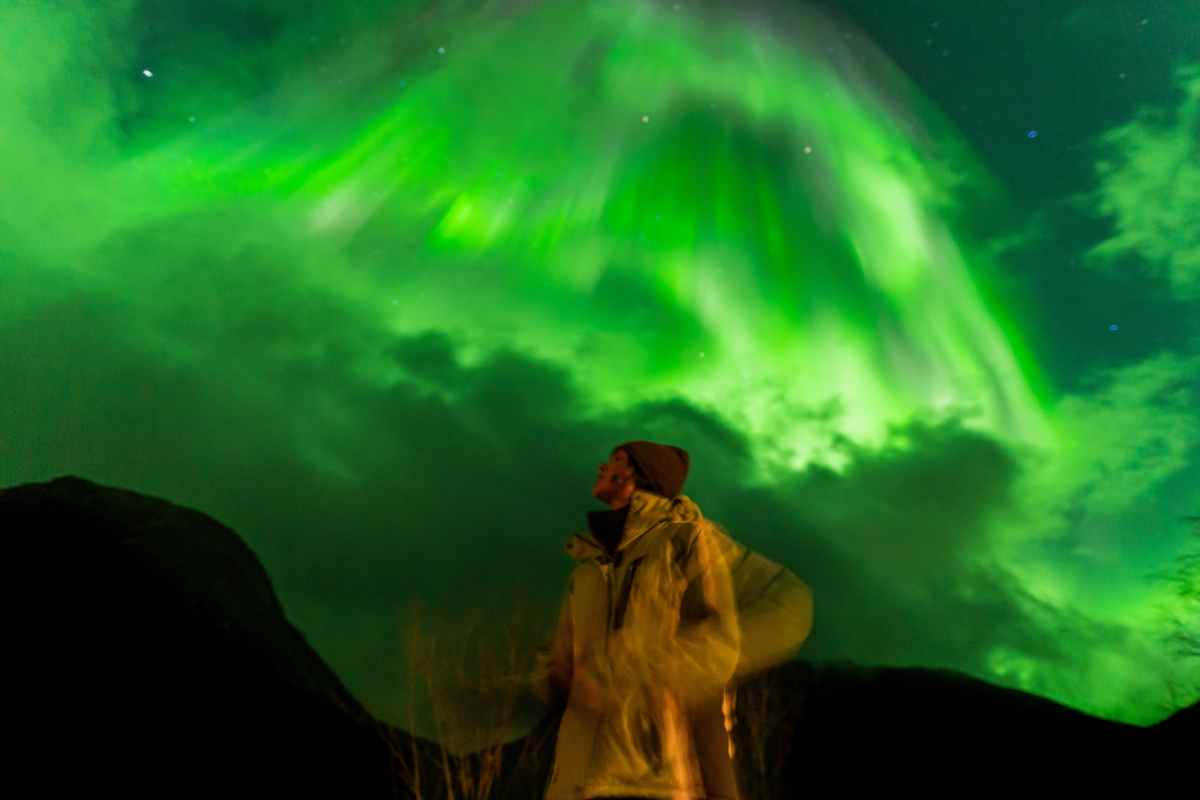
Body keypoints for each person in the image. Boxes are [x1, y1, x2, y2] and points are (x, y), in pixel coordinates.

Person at [538, 440, 743, 800]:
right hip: (579, 782)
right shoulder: (588, 569)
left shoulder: (686, 540)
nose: (603, 467)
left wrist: (629, 664)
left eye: (616, 461)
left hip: (653, 779)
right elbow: (562, 672)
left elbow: (717, 646)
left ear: (643, 478)